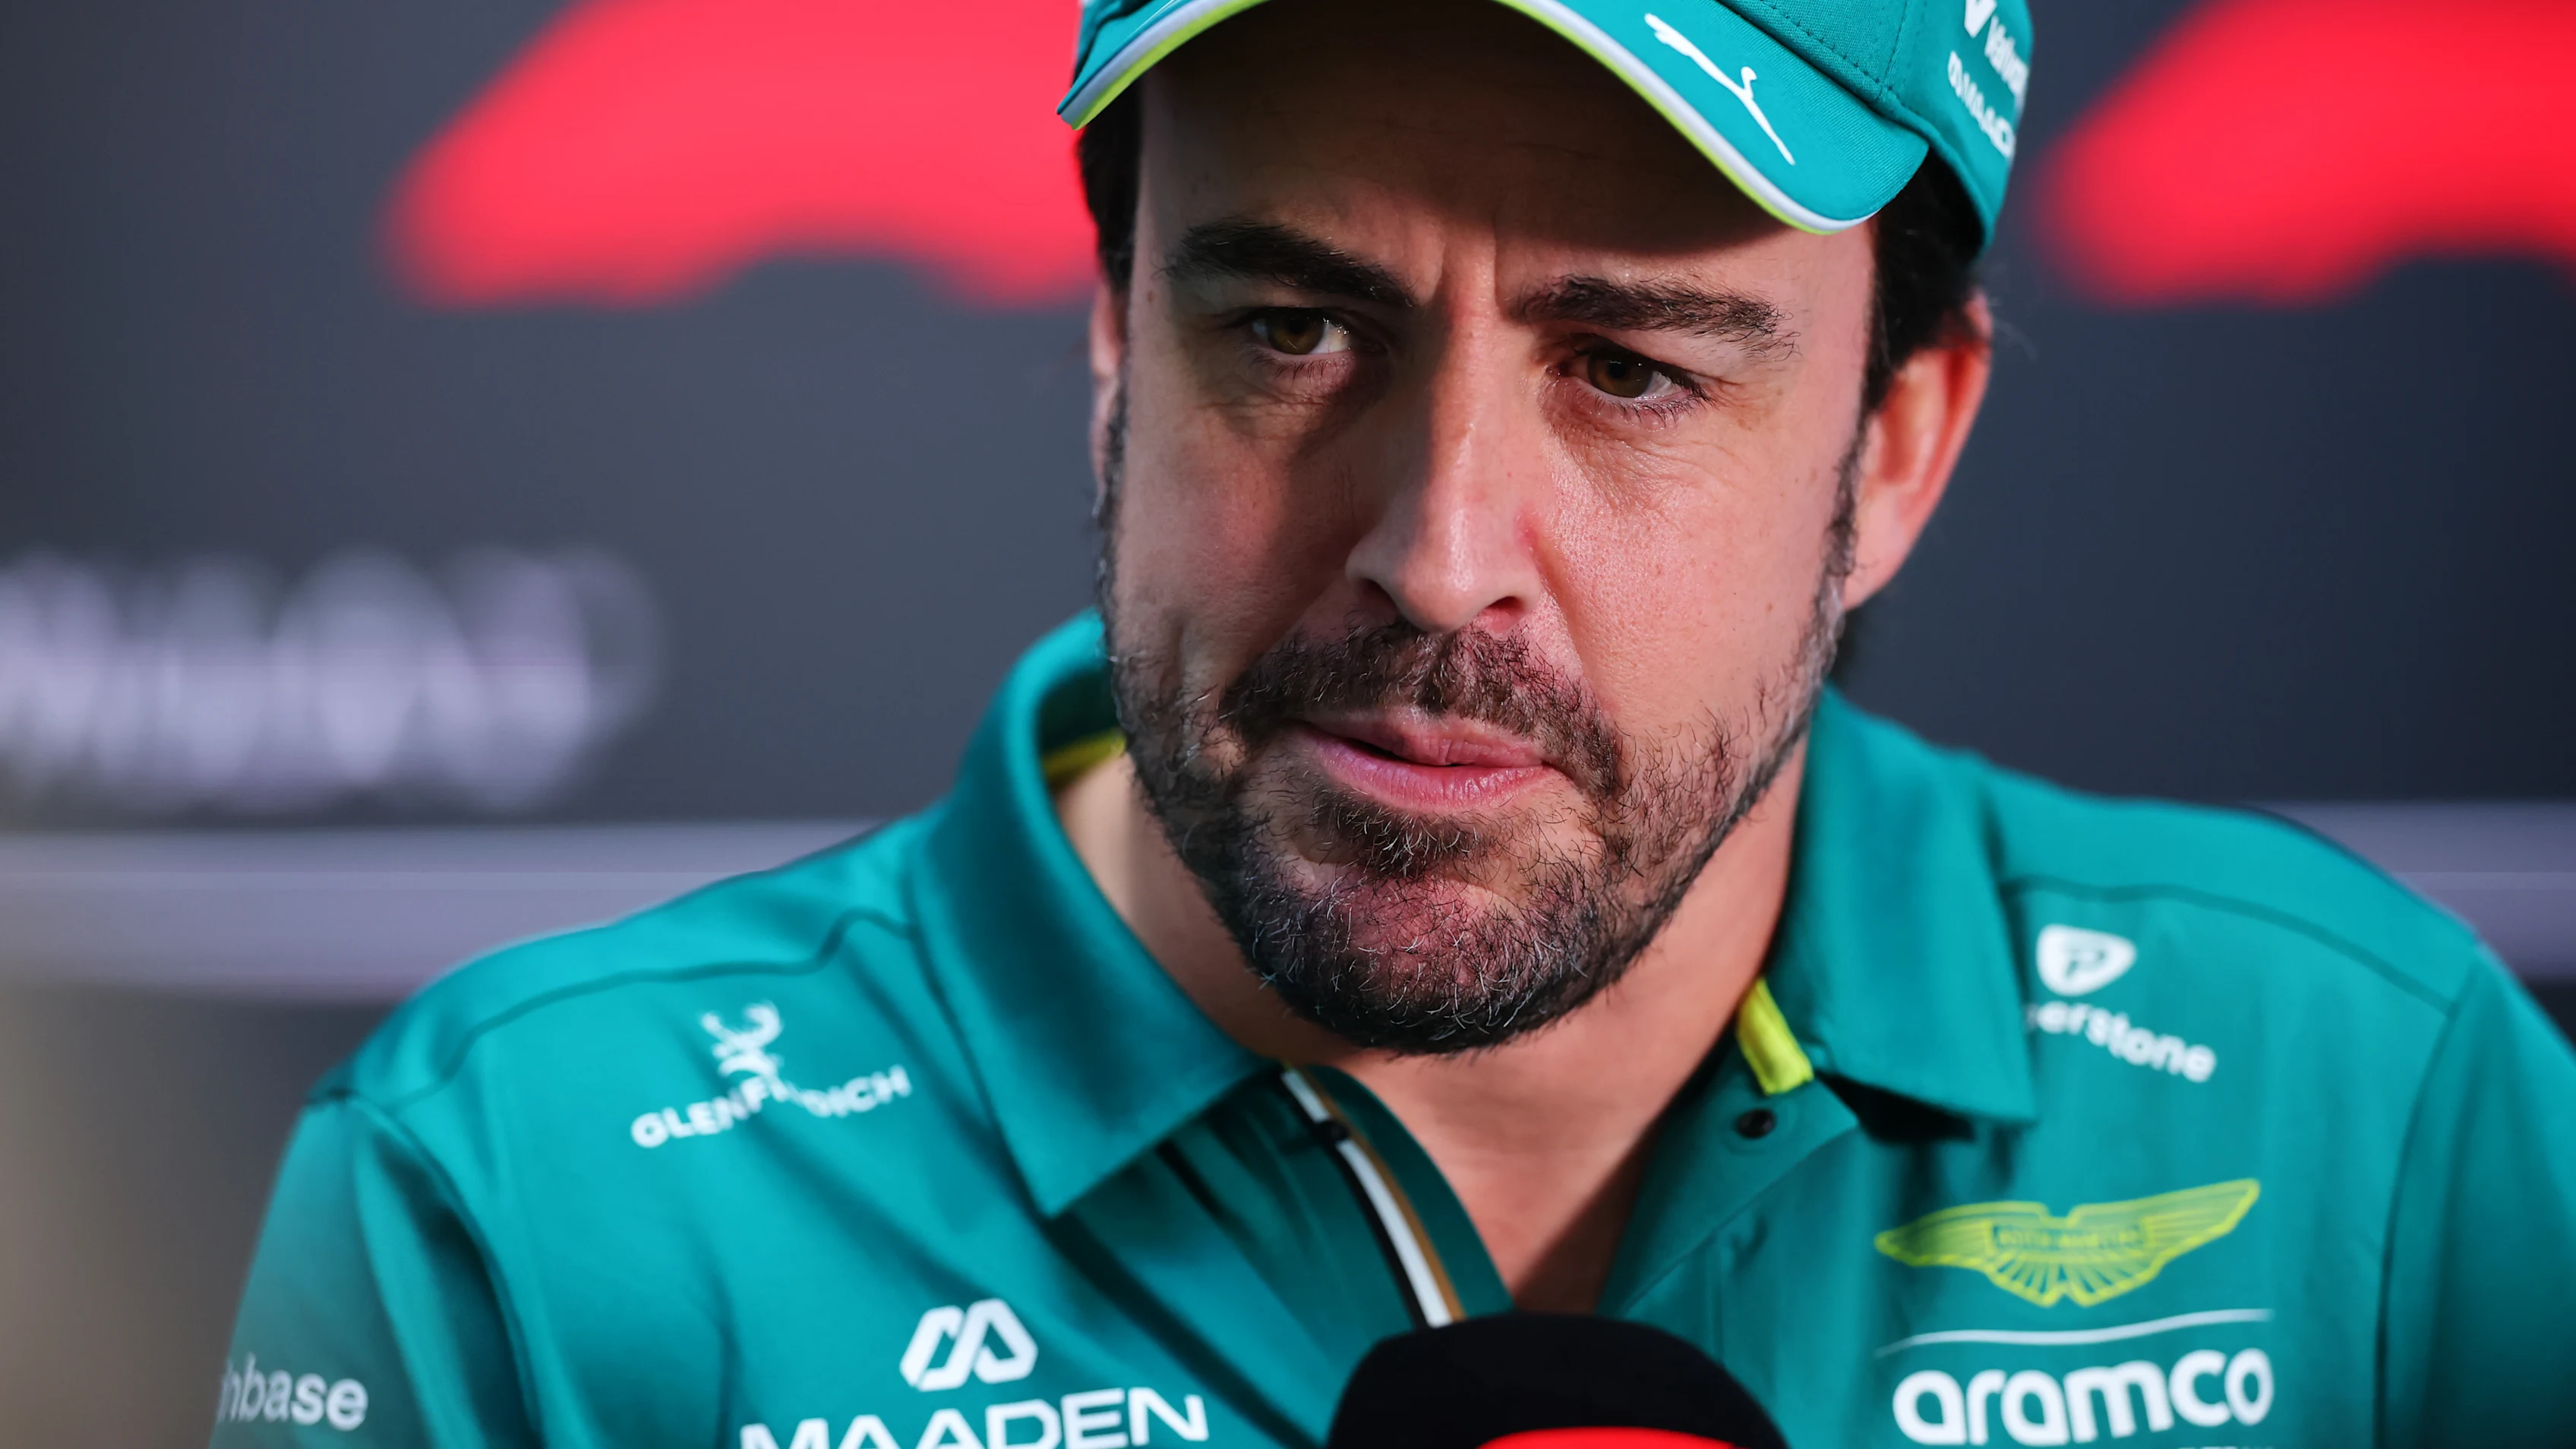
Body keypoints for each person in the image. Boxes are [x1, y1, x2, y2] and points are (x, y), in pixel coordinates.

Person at [212, 0, 2576, 1444]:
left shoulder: (2371, 1113)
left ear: (1892, 450)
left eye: (1630, 367)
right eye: (1293, 326)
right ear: (1122, 346)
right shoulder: (533, 1198)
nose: (1441, 552)